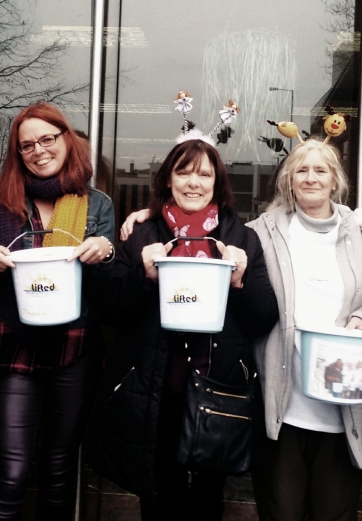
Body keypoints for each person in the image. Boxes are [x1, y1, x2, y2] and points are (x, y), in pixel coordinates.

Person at [88, 137, 279, 520]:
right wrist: (143, 277)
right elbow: (110, 309)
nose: (194, 182)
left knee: (209, 498)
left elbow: (263, 318)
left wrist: (240, 281)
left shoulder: (241, 237)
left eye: (204, 174)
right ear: (168, 180)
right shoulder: (141, 234)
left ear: (217, 182)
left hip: (217, 387)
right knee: (159, 495)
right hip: (156, 390)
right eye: (184, 172)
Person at [246, 139, 362, 520]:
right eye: (301, 170)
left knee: (334, 514)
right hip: (282, 407)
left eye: (321, 170)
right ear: (288, 180)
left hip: (343, 406)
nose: (311, 178)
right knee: (280, 512)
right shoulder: (262, 233)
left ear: (335, 180)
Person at [0, 101, 115, 519]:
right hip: (13, 341)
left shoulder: (97, 204)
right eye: (27, 145)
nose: (39, 150)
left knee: (58, 468)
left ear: (66, 140)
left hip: (75, 345)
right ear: (18, 154)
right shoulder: (2, 203)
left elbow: (108, 288)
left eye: (47, 139)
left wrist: (105, 252)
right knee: (12, 471)